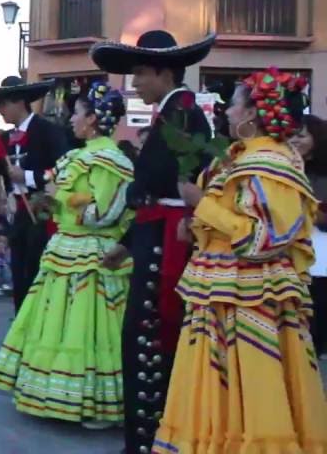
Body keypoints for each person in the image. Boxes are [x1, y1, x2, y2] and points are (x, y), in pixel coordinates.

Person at [153, 68, 327, 453]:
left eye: (232, 104)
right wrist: (195, 222)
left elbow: (263, 239)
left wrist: (203, 207)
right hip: (221, 289)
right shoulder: (238, 156)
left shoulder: (273, 164)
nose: (225, 111)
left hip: (252, 296)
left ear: (252, 113)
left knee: (254, 382)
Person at [89, 30, 214, 454]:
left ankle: (150, 440)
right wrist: (127, 242)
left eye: (141, 73)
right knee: (144, 338)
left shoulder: (183, 114)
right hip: (154, 235)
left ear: (164, 72)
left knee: (151, 337)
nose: (135, 83)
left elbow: (190, 184)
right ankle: (146, 436)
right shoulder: (172, 113)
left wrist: (184, 219)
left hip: (168, 242)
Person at [0, 82, 135, 428]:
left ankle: (96, 403)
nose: (71, 119)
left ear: (93, 121)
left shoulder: (108, 159)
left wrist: (65, 202)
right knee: (60, 323)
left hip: (92, 252)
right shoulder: (77, 156)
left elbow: (107, 212)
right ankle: (59, 394)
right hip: (66, 248)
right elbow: (63, 196)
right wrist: (48, 202)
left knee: (90, 327)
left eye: (78, 113)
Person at [0, 75, 70, 312]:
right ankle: (21, 323)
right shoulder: (6, 139)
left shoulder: (49, 131)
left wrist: (27, 176)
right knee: (18, 272)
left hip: (44, 213)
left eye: (3, 104)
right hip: (19, 213)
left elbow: (64, 170)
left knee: (35, 272)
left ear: (19, 102)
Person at [290, 114, 327, 356]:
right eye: (290, 134)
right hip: (289, 261)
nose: (293, 140)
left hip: (320, 261)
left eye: (301, 135)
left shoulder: (322, 177)